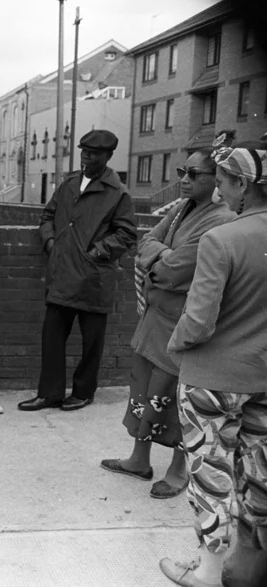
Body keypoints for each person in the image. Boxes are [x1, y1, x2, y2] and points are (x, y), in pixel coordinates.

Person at [159, 141, 267, 587]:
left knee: (210, 474)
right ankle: (252, 568)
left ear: (243, 184)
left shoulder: (221, 239)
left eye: (223, 183)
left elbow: (199, 321)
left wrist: (175, 344)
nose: (219, 193)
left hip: (212, 381)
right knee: (259, 472)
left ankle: (206, 572)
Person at [100, 148, 235, 499]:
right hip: (155, 319)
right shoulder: (180, 210)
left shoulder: (218, 220)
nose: (184, 180)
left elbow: (177, 269)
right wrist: (162, 256)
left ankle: (178, 470)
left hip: (181, 324)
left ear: (215, 180)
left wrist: (160, 261)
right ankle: (139, 459)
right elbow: (146, 240)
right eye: (181, 171)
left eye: (194, 174)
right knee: (144, 392)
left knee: (173, 398)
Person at [19, 129, 137, 412]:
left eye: (94, 153)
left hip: (94, 279)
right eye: (84, 150)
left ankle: (83, 392)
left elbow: (127, 234)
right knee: (51, 337)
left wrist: (96, 252)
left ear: (108, 156)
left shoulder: (117, 193)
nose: (87, 156)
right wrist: (51, 242)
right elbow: (47, 216)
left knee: (91, 342)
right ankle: (50, 394)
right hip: (62, 275)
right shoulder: (69, 183)